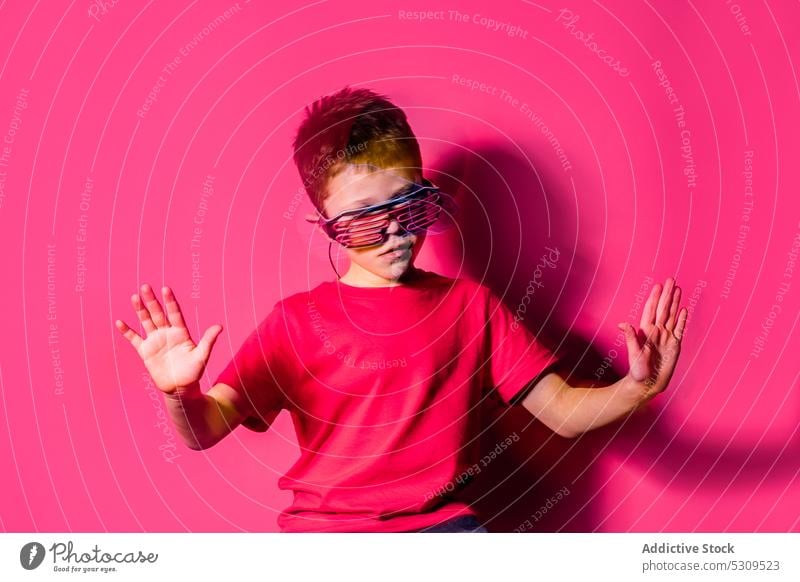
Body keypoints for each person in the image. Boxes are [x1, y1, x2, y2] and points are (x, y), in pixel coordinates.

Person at [115, 86, 687, 533]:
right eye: (363, 215)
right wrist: (180, 395)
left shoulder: (470, 308)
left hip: (443, 534)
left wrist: (636, 389)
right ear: (326, 223)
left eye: (407, 203)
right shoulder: (294, 322)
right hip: (326, 539)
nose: (391, 229)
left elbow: (560, 410)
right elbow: (205, 429)